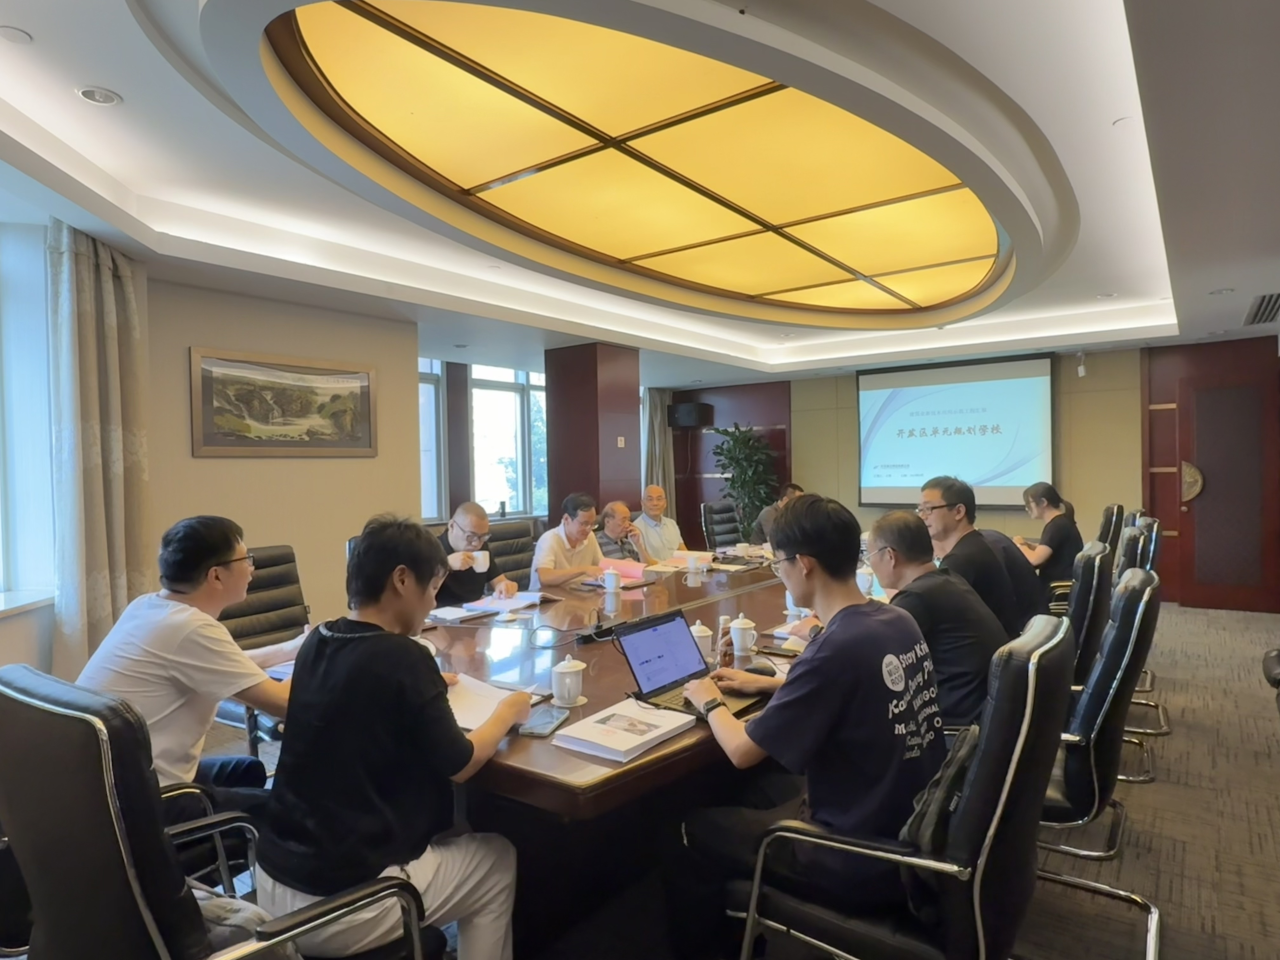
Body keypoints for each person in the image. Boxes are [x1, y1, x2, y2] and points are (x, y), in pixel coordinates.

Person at [665, 495, 944, 960]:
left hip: (858, 857)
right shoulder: (896, 618)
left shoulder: (834, 647)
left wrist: (709, 700)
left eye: (779, 564)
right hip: (903, 826)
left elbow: (741, 751)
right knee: (758, 791)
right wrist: (768, 683)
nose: (780, 573)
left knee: (689, 828)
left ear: (805, 564)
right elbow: (853, 688)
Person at [255, 516, 531, 960]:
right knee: (496, 859)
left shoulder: (319, 639)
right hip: (344, 907)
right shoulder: (402, 656)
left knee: (453, 833)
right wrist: (508, 711)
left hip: (272, 885)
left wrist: (426, 688)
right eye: (433, 588)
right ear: (402, 580)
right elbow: (461, 764)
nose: (432, 602)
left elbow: (361, 695)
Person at [77, 516, 295, 823]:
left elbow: (229, 664)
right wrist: (320, 655)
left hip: (106, 784)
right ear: (216, 575)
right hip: (144, 804)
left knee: (248, 770)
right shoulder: (192, 629)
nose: (251, 569)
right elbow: (286, 703)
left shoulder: (147, 606)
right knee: (294, 813)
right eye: (246, 559)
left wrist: (292, 648)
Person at [866, 512, 1006, 727]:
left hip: (955, 728)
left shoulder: (917, 598)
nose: (870, 563)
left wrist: (817, 633)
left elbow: (866, 658)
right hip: (979, 713)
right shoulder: (947, 580)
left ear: (890, 556)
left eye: (870, 555)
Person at [918, 476, 1021, 638]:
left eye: (929, 509)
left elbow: (930, 617)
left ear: (959, 511)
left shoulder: (961, 560)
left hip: (984, 649)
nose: (923, 516)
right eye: (920, 510)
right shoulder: (978, 544)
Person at [433, 502, 518, 607]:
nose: (476, 544)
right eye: (470, 536)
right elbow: (422, 597)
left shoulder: (482, 547)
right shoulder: (430, 549)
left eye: (483, 537)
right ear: (452, 526)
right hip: (442, 614)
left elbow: (499, 580)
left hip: (475, 611)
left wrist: (505, 586)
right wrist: (446, 565)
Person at [1016, 482, 1085, 602]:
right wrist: (1030, 546)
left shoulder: (1056, 526)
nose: (1026, 508)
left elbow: (1035, 560)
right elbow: (1050, 549)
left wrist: (1020, 544)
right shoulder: (1060, 522)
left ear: (1043, 502)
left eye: (1028, 504)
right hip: (1056, 586)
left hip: (1055, 590)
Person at [530, 492, 605, 588]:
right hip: (548, 596)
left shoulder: (590, 536)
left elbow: (601, 564)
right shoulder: (549, 539)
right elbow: (545, 578)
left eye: (592, 524)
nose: (589, 529)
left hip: (577, 593)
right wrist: (583, 569)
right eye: (584, 524)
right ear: (566, 519)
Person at [636, 485, 687, 562]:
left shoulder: (671, 523)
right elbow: (643, 561)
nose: (655, 503)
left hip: (679, 567)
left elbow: (683, 552)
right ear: (642, 503)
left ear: (665, 503)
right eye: (650, 499)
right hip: (655, 568)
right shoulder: (636, 529)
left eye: (659, 499)